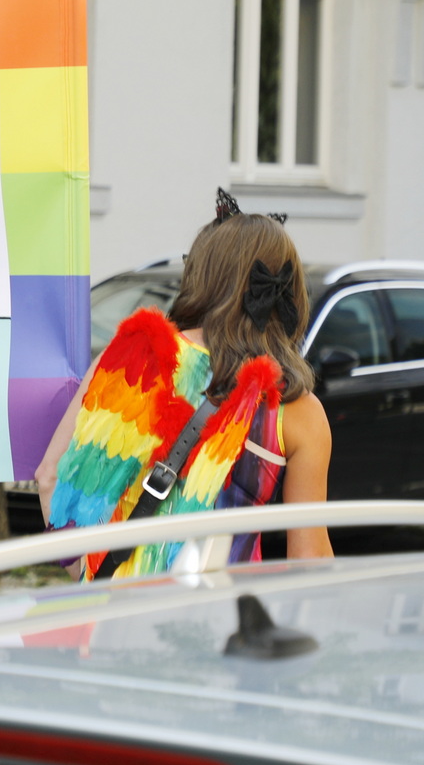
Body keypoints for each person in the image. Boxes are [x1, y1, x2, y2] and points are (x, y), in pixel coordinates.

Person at [35, 193, 335, 579]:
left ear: (202, 275)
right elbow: (309, 558)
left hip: (115, 606)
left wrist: (88, 577)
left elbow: (49, 475)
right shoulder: (296, 407)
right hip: (224, 609)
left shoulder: (130, 357)